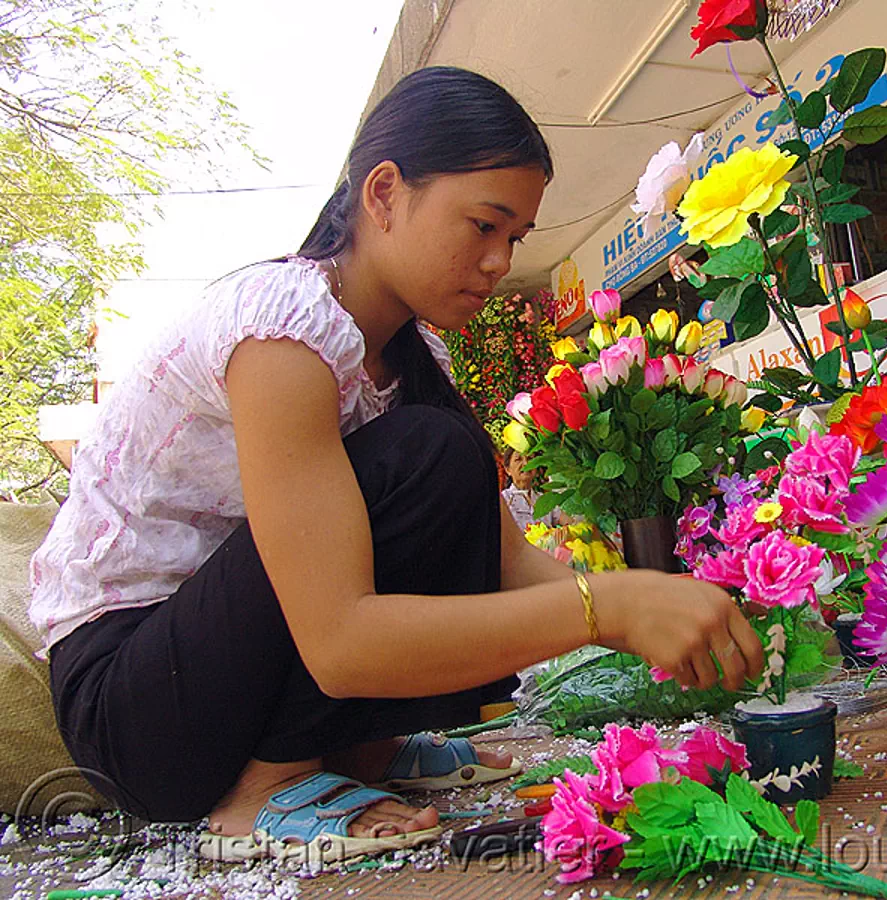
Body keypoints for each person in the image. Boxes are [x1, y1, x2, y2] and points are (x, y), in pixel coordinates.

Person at [29, 66, 763, 863]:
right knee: (430, 453)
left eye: (515, 239)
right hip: (141, 712)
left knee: (446, 459)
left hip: (223, 679)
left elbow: (509, 564)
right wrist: (608, 609)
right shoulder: (281, 330)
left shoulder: (410, 359)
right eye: (483, 225)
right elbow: (339, 639)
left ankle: (358, 753)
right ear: (383, 194)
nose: (498, 261)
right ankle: (263, 789)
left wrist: (669, 613)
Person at [500, 447, 555, 532]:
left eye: (530, 458)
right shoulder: (503, 500)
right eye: (518, 459)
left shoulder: (544, 499)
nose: (526, 463)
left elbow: (570, 522)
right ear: (508, 470)